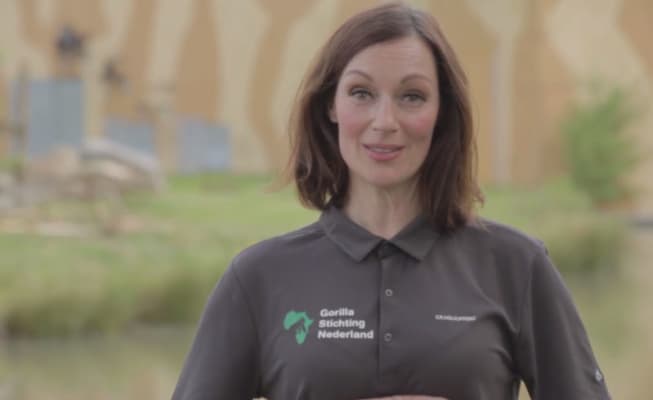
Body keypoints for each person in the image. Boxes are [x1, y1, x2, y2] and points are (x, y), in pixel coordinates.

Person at [171, 3, 612, 400]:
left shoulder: (516, 266)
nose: (385, 121)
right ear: (331, 105)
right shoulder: (258, 278)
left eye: (412, 97)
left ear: (441, 113)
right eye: (361, 93)